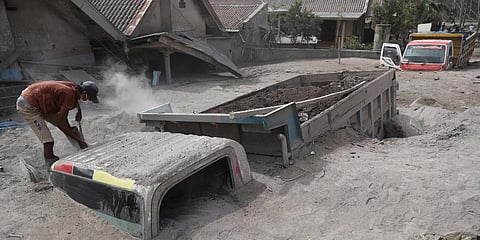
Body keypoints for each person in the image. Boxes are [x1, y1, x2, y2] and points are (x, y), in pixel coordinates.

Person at [16, 80, 99, 169]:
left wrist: (79, 110)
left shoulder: (73, 88)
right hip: (28, 105)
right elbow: (60, 121)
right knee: (48, 141)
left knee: (67, 127)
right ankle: (50, 166)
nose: (88, 101)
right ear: (84, 93)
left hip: (39, 102)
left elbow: (63, 117)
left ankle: (81, 146)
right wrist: (79, 140)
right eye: (89, 98)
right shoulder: (68, 94)